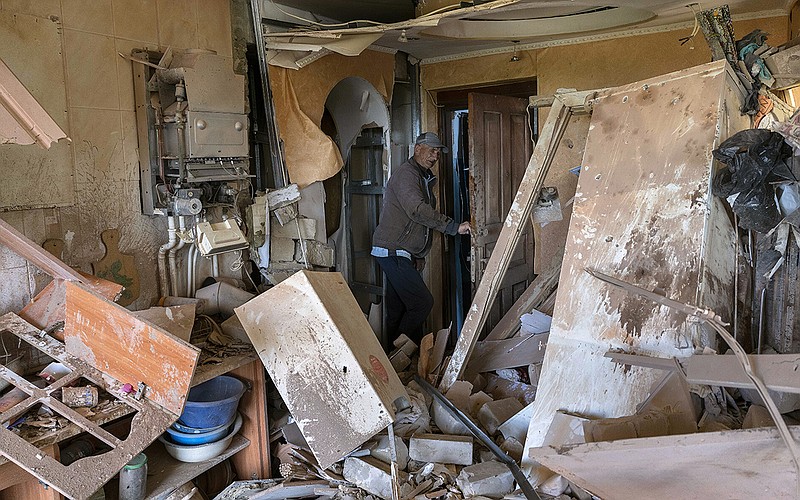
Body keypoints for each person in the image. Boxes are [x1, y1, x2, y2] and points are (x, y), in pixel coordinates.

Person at [372, 132, 470, 346]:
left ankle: (393, 360)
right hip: (392, 249)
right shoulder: (407, 175)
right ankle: (399, 352)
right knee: (422, 303)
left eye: (438, 152)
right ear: (417, 149)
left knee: (398, 309)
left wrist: (417, 254)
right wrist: (453, 227)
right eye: (431, 150)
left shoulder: (422, 176)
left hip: (400, 251)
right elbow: (417, 211)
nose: (435, 155)